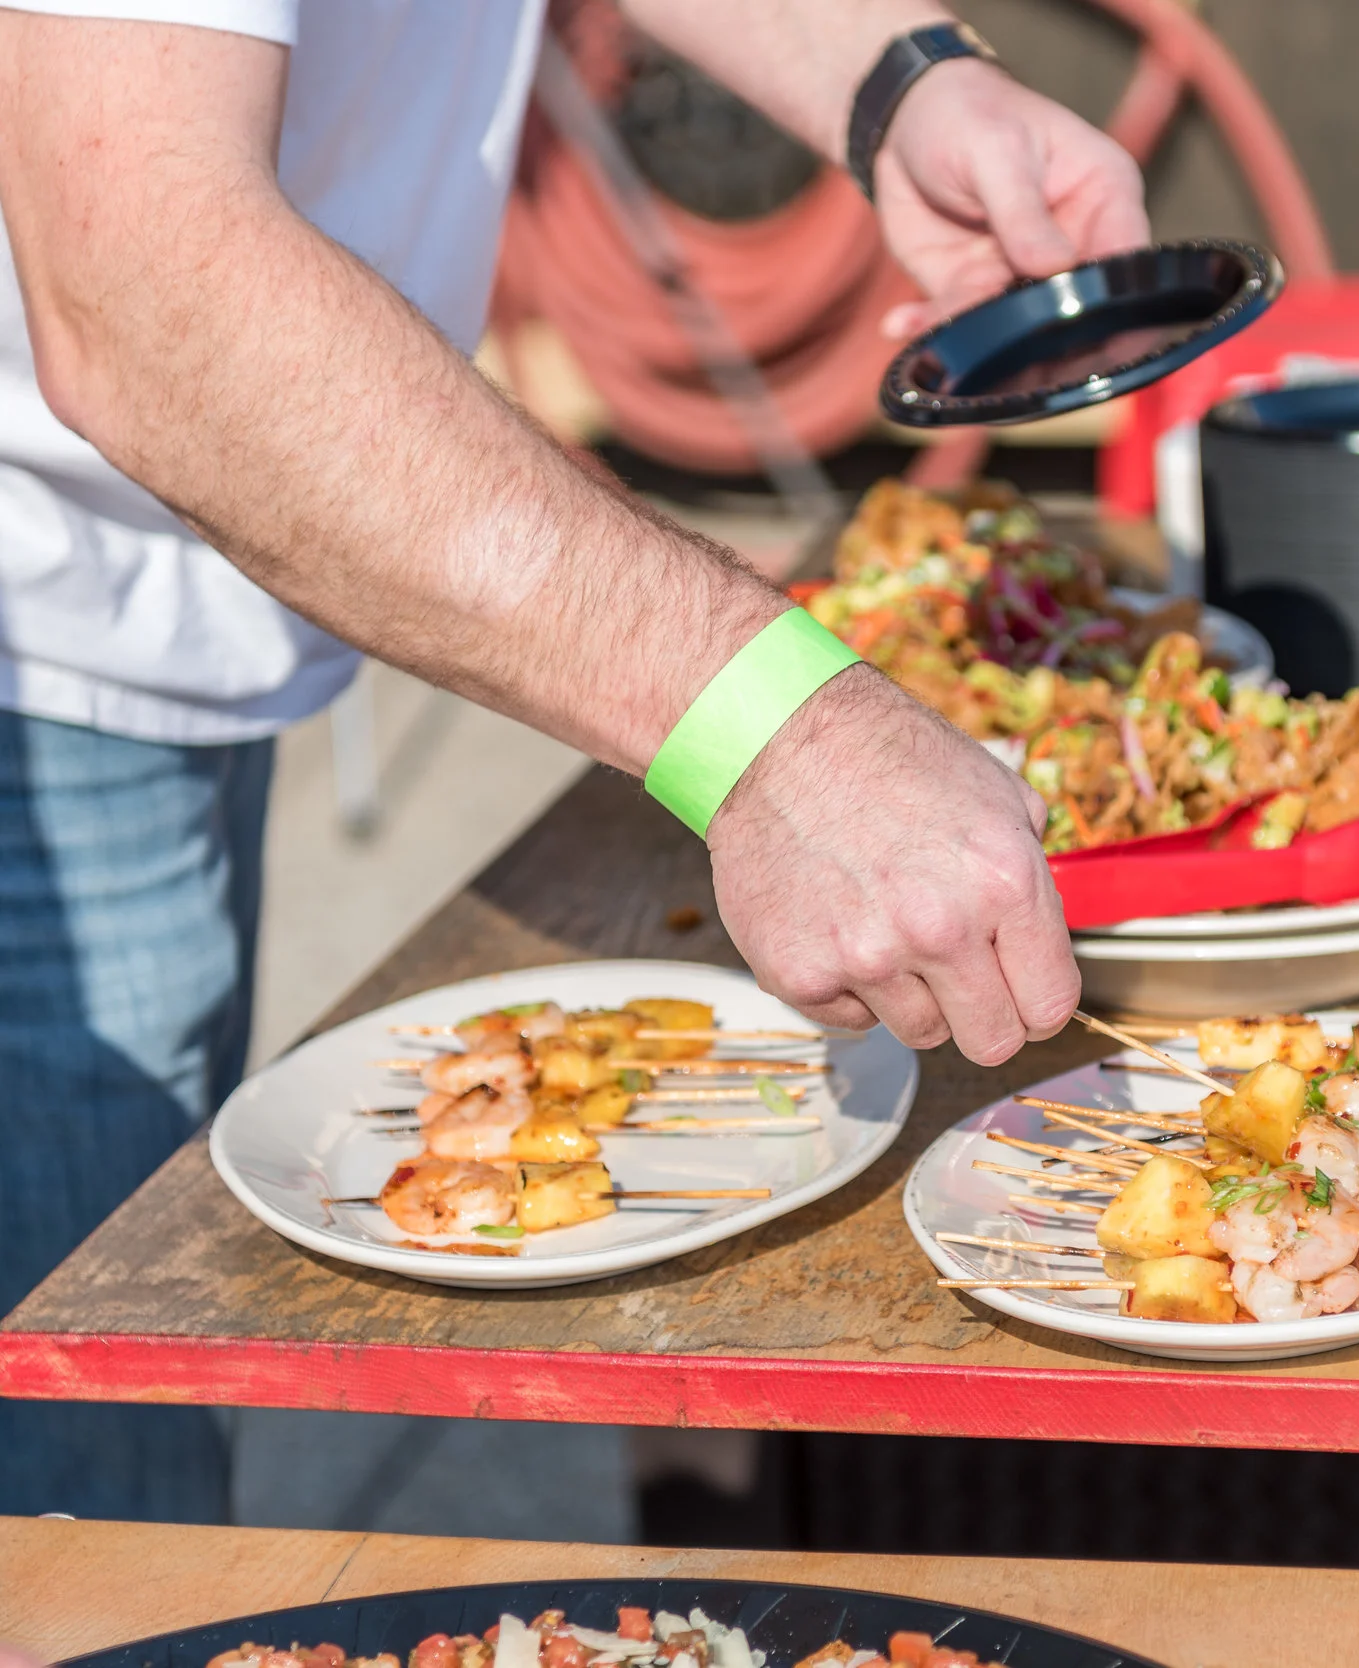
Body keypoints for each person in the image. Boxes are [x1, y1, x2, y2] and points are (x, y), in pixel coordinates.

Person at [0, 0, 1144, 1521]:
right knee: (89, 1491)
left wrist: (897, 83)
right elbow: (142, 292)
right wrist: (778, 734)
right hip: (36, 619)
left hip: (187, 569)